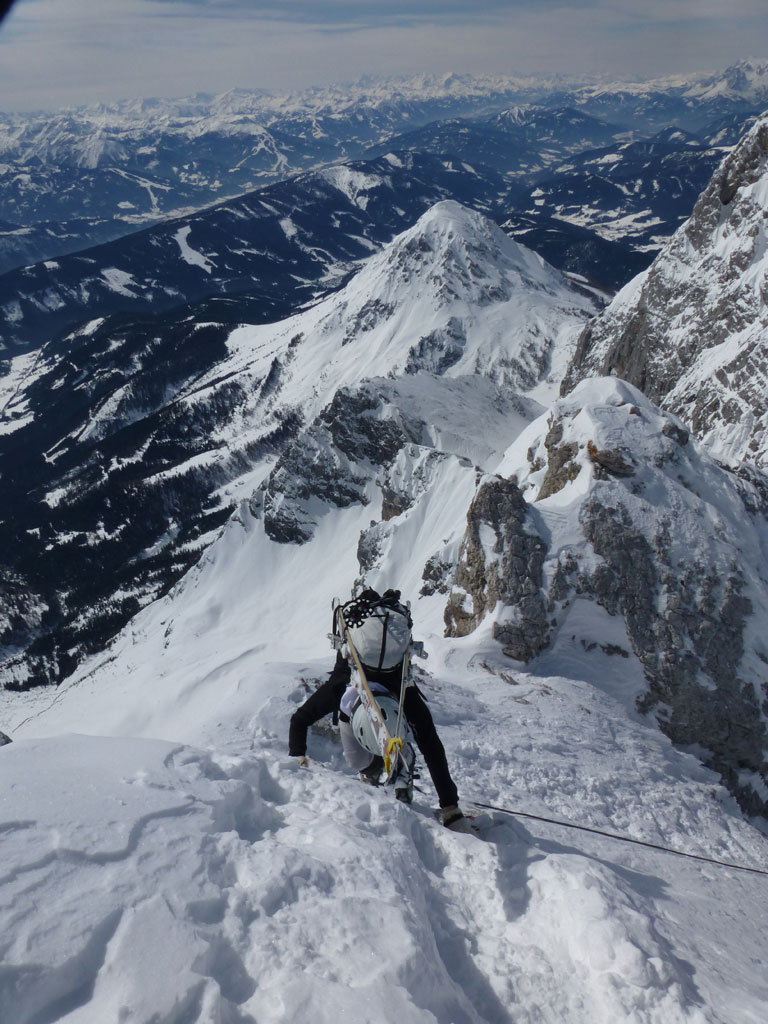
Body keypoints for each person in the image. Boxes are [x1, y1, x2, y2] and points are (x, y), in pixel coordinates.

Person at [289, 588, 472, 832]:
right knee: (424, 736)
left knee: (358, 759)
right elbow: (431, 745)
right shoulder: (399, 678)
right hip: (396, 695)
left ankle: (374, 772)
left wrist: (295, 763)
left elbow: (300, 720)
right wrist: (450, 806)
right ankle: (403, 766)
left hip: (353, 708)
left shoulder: (344, 681)